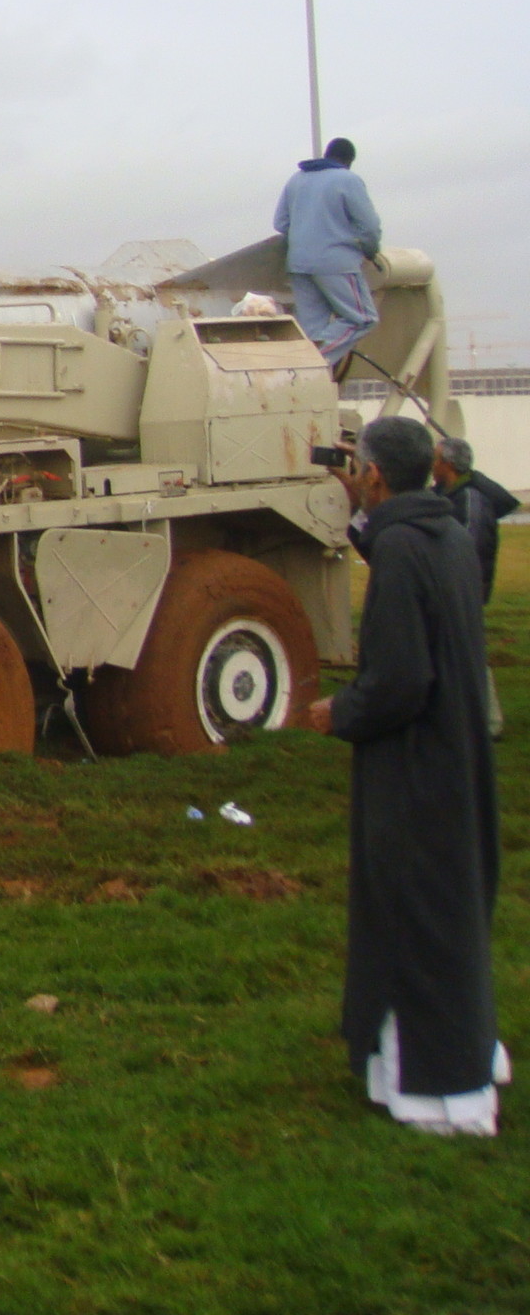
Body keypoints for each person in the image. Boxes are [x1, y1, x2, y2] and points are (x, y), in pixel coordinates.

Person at [308, 416, 507, 1135]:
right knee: (444, 910)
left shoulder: (400, 550)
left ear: (376, 475)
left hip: (414, 765)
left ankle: (436, 1091)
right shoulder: (444, 532)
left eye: (357, 467)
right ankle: (445, 1061)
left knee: (413, 913)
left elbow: (398, 682)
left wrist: (340, 709)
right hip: (456, 756)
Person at [434, 434, 519, 738]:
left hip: (464, 590)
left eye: (436, 458)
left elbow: (469, 547)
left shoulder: (470, 499)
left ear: (448, 464)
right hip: (458, 588)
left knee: (469, 653)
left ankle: (489, 723)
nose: (431, 465)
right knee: (456, 652)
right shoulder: (452, 493)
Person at [273, 136, 383, 368]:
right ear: (349, 161)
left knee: (312, 330)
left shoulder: (297, 179)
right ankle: (311, 364)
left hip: (299, 264)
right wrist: (369, 251)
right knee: (362, 319)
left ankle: (307, 374)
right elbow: (369, 227)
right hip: (336, 263)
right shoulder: (348, 179)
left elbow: (281, 223)